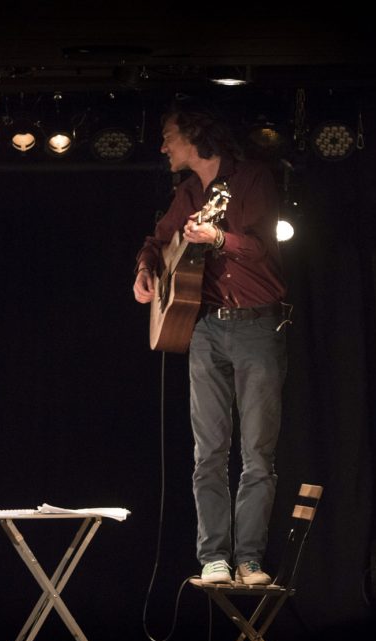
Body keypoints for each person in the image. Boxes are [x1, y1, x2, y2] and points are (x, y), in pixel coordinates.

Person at [133, 100, 287, 585]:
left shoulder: (253, 178)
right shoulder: (187, 192)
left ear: (194, 136)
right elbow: (157, 241)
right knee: (209, 452)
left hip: (257, 325)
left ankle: (250, 558)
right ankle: (214, 556)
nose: (163, 147)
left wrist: (217, 238)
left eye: (168, 137)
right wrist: (145, 270)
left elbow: (262, 247)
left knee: (257, 452)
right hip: (204, 327)